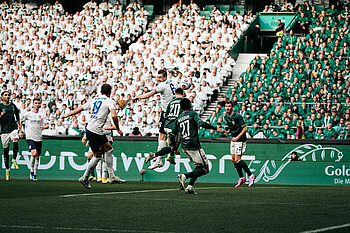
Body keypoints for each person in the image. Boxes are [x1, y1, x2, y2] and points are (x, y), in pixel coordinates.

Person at [62, 84, 125, 189]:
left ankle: (85, 177)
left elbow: (80, 109)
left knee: (98, 155)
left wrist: (68, 114)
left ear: (100, 91)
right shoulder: (110, 101)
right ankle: (111, 176)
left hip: (89, 129)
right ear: (110, 92)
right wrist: (117, 128)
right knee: (108, 150)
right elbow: (114, 115)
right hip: (97, 130)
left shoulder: (94, 100)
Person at [171, 98, 225, 194]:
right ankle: (184, 176)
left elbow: (172, 135)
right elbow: (201, 123)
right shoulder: (193, 114)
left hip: (184, 146)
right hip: (193, 144)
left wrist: (175, 148)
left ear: (181, 108)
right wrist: (215, 128)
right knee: (205, 168)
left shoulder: (178, 118)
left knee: (199, 166)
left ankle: (190, 187)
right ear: (190, 105)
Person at [135, 69, 176, 170]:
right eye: (157, 78)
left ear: (165, 77)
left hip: (168, 114)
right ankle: (163, 156)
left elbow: (149, 94)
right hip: (172, 112)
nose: (158, 79)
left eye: (160, 78)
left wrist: (138, 97)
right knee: (167, 136)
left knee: (163, 136)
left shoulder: (162, 86)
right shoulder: (172, 82)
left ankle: (159, 160)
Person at [146, 87, 185, 167]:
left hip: (167, 125)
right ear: (183, 94)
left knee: (172, 145)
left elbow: (165, 115)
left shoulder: (171, 102)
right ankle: (154, 155)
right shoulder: (184, 101)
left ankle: (170, 156)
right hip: (174, 127)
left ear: (175, 94)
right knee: (173, 147)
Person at [224, 100, 255, 188]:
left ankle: (250, 175)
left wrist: (237, 137)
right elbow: (232, 127)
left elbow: (245, 128)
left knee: (238, 159)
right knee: (233, 159)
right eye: (226, 106)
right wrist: (228, 132)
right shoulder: (226, 116)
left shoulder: (238, 116)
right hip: (233, 139)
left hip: (240, 139)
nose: (227, 108)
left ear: (232, 107)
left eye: (229, 106)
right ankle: (241, 178)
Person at [21, 98, 48, 181]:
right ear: (33, 104)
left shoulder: (42, 115)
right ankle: (31, 171)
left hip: (38, 137)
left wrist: (44, 127)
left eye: (38, 103)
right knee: (34, 153)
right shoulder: (28, 114)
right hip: (30, 137)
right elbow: (21, 121)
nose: (37, 104)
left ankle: (35, 173)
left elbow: (47, 125)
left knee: (37, 156)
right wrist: (20, 131)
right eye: (35, 103)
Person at [0, 91, 22, 180]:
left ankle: (14, 159)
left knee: (15, 141)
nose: (8, 96)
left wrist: (19, 126)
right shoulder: (0, 106)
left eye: (8, 95)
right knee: (6, 150)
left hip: (13, 128)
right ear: (2, 97)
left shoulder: (12, 106)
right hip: (4, 131)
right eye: (6, 95)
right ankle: (7, 169)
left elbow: (17, 114)